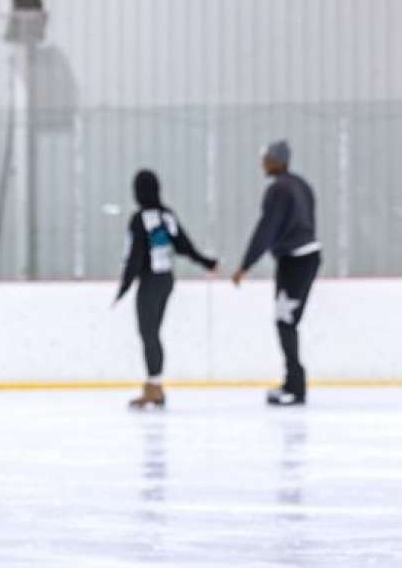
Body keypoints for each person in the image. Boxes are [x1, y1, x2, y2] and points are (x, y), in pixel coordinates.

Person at [114, 169, 217, 409]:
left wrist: (125, 285)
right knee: (153, 333)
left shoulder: (139, 219)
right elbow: (183, 245)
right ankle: (154, 385)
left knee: (148, 333)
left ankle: (154, 388)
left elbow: (135, 256)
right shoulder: (166, 215)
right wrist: (206, 262)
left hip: (150, 280)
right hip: (166, 279)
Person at [231, 140, 319, 406]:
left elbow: (266, 229)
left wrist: (245, 265)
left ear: (277, 161)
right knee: (288, 321)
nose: (263, 163)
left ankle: (295, 386)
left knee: (285, 321)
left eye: (266, 158)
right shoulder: (300, 185)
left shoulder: (278, 190)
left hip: (295, 261)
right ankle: (293, 382)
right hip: (308, 256)